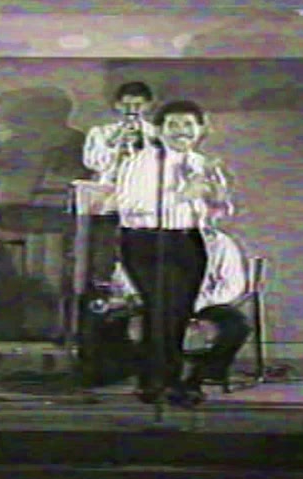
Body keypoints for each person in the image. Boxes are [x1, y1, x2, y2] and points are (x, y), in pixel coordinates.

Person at [113, 99, 233, 407]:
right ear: (159, 130)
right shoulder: (142, 162)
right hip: (147, 240)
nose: (182, 131)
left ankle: (171, 380)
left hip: (187, 239)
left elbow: (219, 212)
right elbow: (130, 207)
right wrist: (182, 195)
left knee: (179, 312)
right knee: (160, 311)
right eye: (173, 125)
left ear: (201, 129)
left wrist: (217, 197)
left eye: (188, 125)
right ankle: (157, 383)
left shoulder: (201, 163)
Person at [113, 225, 251, 404]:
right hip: (155, 303)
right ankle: (154, 380)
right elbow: (122, 276)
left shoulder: (221, 244)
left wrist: (193, 304)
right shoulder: (144, 241)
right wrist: (137, 297)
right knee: (128, 321)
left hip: (206, 305)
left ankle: (198, 377)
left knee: (237, 326)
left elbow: (232, 286)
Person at [83, 82, 157, 185]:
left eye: (138, 105)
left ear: (147, 106)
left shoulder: (156, 133)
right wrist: (113, 142)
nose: (132, 110)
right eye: (126, 105)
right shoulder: (100, 132)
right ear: (117, 105)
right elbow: (92, 163)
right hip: (110, 186)